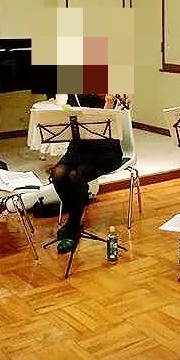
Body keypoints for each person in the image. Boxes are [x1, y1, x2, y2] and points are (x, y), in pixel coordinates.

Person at [52, 93, 129, 253]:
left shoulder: (111, 86)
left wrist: (109, 104)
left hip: (105, 150)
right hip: (79, 149)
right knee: (58, 173)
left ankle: (73, 225)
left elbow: (113, 124)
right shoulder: (74, 91)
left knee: (75, 176)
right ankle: (76, 208)